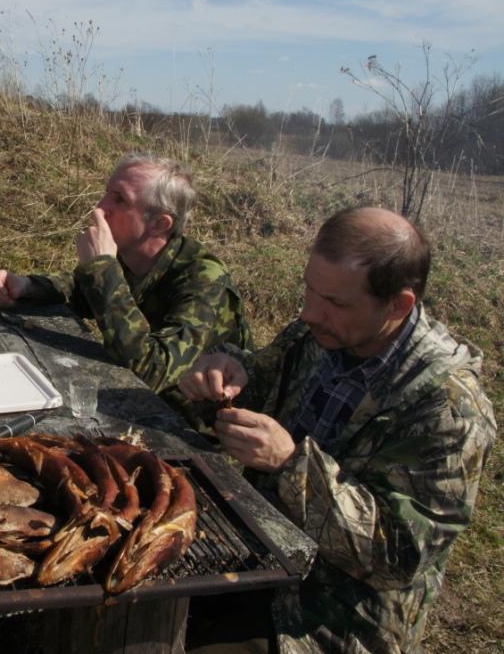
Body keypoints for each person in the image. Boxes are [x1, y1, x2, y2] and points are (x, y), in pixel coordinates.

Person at [178, 207, 497, 653]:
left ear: (399, 304)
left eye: (335, 302)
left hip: (330, 615)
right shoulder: (324, 332)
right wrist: (225, 372)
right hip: (256, 546)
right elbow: (264, 377)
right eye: (310, 289)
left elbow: (399, 557)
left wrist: (291, 465)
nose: (310, 311)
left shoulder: (446, 410)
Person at [0, 153, 251, 415]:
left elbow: (152, 371)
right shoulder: (133, 255)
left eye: (120, 199)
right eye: (107, 194)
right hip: (140, 408)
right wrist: (27, 287)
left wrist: (103, 268)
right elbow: (81, 291)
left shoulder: (203, 280)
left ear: (159, 224)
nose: (100, 208)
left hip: (193, 426)